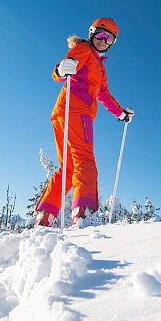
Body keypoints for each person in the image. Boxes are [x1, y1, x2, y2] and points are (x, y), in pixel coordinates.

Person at [34, 18, 134, 227]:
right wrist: (61, 70)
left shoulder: (99, 65)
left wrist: (120, 113)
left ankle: (45, 217)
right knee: (84, 159)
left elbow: (103, 94)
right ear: (92, 33)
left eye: (109, 38)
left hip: (62, 113)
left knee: (68, 167)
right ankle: (82, 213)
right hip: (77, 110)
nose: (103, 40)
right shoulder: (84, 50)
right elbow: (66, 65)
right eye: (100, 34)